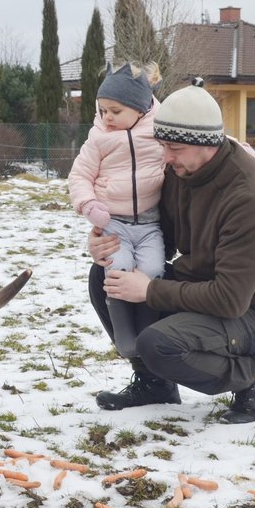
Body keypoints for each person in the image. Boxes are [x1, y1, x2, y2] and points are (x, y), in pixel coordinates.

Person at [89, 78, 255, 424]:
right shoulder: (182, 170)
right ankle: (155, 385)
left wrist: (149, 290)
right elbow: (160, 235)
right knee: (107, 276)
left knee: (159, 344)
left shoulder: (250, 199)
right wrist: (105, 241)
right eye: (162, 146)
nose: (166, 157)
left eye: (173, 148)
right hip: (210, 287)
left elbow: (230, 300)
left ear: (205, 144)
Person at [68, 62, 165, 359]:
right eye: (102, 110)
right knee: (118, 268)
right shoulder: (99, 137)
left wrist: (239, 150)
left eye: (115, 111)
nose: (106, 117)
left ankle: (146, 333)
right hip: (114, 222)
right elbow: (79, 175)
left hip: (150, 223)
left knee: (152, 270)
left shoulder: (161, 129)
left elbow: (203, 139)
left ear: (140, 109)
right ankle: (124, 335)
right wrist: (88, 204)